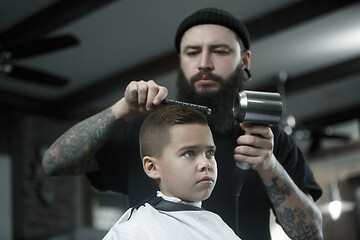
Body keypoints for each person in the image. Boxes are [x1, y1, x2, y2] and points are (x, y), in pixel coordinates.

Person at [42, 8, 323, 240]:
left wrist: (268, 165)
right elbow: (54, 163)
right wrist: (122, 110)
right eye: (192, 52)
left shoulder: (269, 139)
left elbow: (310, 235)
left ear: (244, 60)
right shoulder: (147, 131)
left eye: (220, 51)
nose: (204, 63)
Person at [102, 105, 240, 239]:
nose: (205, 163)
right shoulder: (135, 231)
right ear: (152, 167)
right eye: (189, 153)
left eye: (210, 152)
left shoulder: (221, 229)